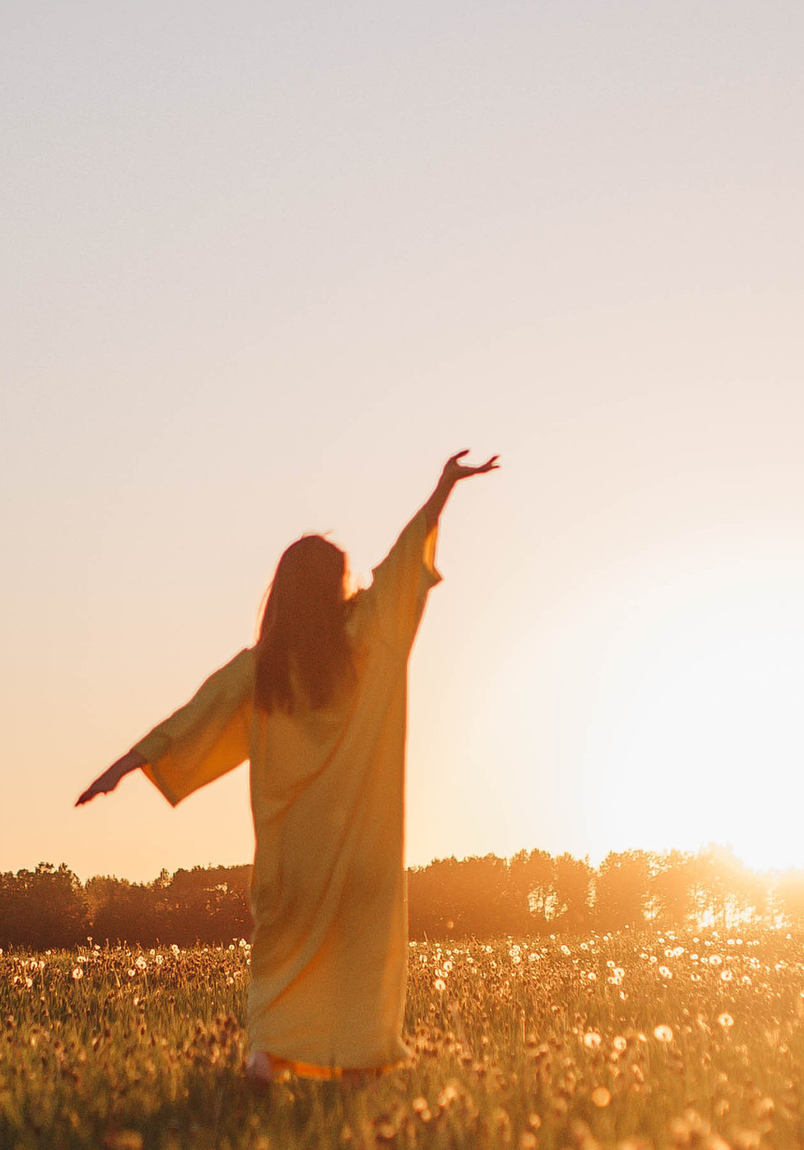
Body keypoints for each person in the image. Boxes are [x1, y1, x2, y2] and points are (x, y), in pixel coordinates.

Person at [77, 451, 498, 1079]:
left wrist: (125, 763)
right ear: (333, 587)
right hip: (362, 851)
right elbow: (405, 564)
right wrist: (441, 493)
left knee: (281, 960)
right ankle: (358, 1072)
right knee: (360, 964)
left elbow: (194, 718)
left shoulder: (264, 668)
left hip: (292, 856)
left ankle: (265, 1059)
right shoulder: (365, 638)